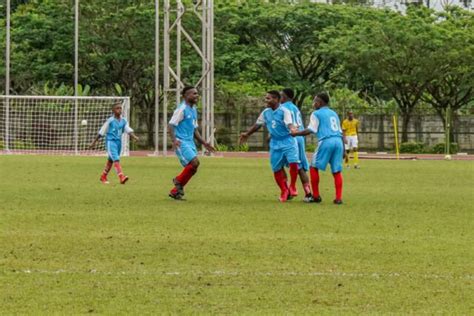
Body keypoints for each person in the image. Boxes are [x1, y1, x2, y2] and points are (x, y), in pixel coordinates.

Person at [240, 90, 300, 202]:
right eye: (266, 98)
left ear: (276, 99)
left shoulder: (284, 111)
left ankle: (292, 186)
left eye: (268, 98)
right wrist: (247, 134)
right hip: (275, 143)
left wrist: (292, 129)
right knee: (276, 168)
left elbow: (289, 123)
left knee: (293, 162)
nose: (265, 100)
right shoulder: (266, 112)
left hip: (288, 140)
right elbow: (258, 125)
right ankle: (284, 190)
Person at [291, 92, 344, 205]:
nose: (313, 104)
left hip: (326, 141)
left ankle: (316, 196)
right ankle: (338, 198)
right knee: (336, 170)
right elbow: (340, 131)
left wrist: (296, 133)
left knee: (313, 167)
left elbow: (311, 129)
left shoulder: (316, 113)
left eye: (314, 101)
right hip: (338, 141)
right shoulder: (333, 113)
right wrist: (344, 148)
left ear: (319, 103)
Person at [168, 86, 216, 200]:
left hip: (190, 142)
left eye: (197, 93)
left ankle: (175, 191)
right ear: (185, 96)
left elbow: (194, 129)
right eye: (193, 94)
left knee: (194, 166)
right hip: (181, 141)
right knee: (194, 163)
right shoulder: (181, 109)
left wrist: (204, 143)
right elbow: (171, 125)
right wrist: (174, 140)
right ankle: (178, 181)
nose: (196, 95)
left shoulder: (193, 109)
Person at [90, 102, 139, 184]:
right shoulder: (110, 121)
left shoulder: (123, 121)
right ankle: (121, 177)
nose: (119, 110)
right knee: (116, 159)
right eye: (117, 108)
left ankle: (103, 176)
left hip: (118, 143)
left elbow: (128, 130)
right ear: (113, 110)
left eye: (120, 108)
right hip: (111, 142)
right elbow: (101, 132)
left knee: (110, 160)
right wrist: (94, 142)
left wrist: (134, 137)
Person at [280, 88, 312, 201]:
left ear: (285, 97)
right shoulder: (295, 107)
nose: (280, 98)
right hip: (300, 137)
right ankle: (308, 192)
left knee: (279, 165)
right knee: (299, 166)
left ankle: (287, 190)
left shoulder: (282, 108)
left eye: (281, 96)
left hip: (290, 138)